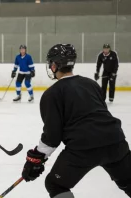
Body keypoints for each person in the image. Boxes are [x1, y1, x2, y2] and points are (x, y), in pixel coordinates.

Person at [21, 44, 131, 198]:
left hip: (83, 148)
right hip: (116, 142)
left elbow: (52, 136)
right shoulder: (91, 84)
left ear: (53, 66)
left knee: (55, 184)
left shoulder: (52, 94)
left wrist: (36, 158)